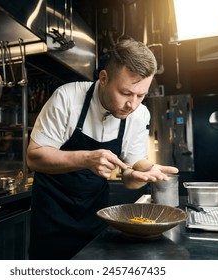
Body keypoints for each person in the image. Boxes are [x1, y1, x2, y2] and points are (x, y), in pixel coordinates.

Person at [26, 37, 179, 260]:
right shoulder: (67, 97)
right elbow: (34, 158)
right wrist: (87, 158)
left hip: (94, 213)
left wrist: (144, 172)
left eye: (141, 95)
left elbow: (131, 170)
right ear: (104, 78)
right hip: (52, 214)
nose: (133, 104)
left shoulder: (139, 114)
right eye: (126, 93)